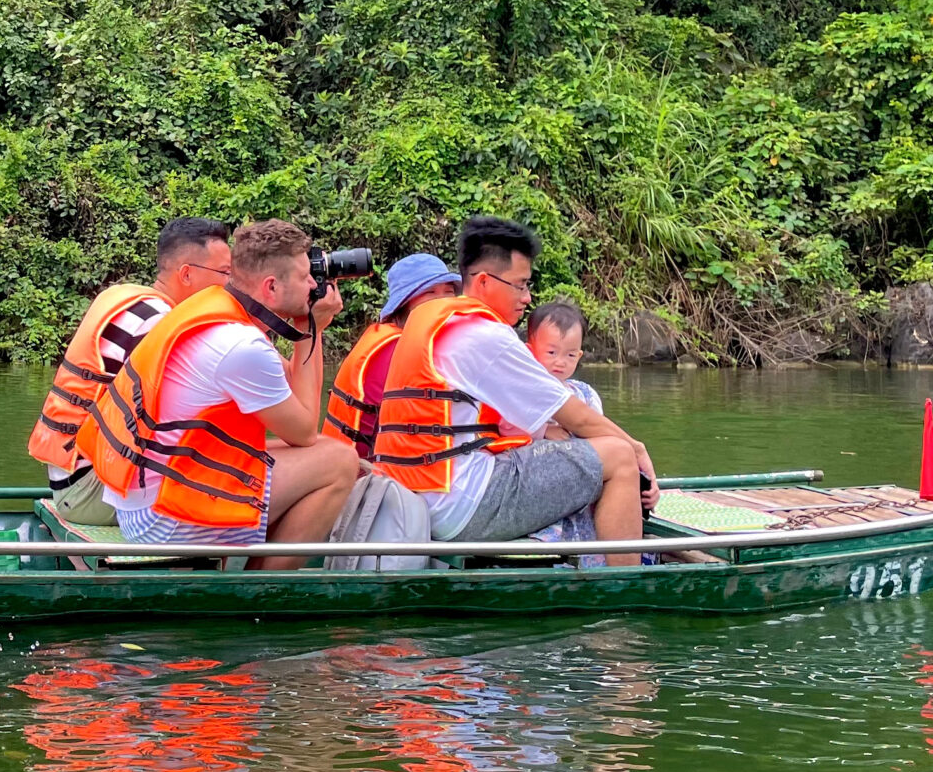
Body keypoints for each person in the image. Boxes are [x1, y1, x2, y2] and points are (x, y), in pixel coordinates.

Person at [372, 217, 654, 567]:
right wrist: (638, 451)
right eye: (520, 285)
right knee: (618, 456)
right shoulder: (486, 336)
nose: (527, 297)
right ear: (485, 282)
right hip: (463, 505)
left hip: (418, 496)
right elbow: (577, 416)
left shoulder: (435, 321)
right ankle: (624, 592)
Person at [77, 219, 359, 569]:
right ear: (270, 287)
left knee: (326, 452)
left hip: (146, 496)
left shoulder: (216, 311)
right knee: (340, 461)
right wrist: (311, 330)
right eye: (305, 278)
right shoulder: (239, 346)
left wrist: (306, 329)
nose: (315, 285)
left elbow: (291, 387)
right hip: (163, 518)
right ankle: (261, 590)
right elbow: (303, 431)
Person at [29, 219, 233, 487]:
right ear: (186, 274)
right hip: (93, 483)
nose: (229, 284)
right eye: (224, 272)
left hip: (71, 475)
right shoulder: (158, 323)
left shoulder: (130, 298)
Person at [324, 251, 460, 459]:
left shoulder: (389, 336)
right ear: (403, 306)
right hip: (365, 478)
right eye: (430, 293)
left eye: (448, 293)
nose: (442, 303)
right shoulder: (398, 350)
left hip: (348, 466)